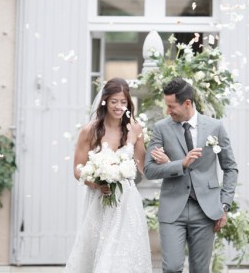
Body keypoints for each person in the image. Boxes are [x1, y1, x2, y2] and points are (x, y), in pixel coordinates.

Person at [144, 78, 238, 273]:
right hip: (172, 209)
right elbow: (149, 169)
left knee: (200, 270)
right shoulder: (162, 128)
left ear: (187, 103)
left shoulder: (215, 127)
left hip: (206, 210)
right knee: (171, 268)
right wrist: (180, 164)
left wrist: (224, 205)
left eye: (171, 106)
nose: (168, 111)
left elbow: (230, 168)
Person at [65, 78, 151, 272]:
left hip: (127, 202)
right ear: (105, 101)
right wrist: (96, 183)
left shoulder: (134, 129)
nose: (119, 106)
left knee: (125, 254)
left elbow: (144, 166)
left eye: (123, 102)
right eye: (114, 101)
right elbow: (77, 169)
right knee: (101, 252)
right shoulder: (90, 131)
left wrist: (164, 161)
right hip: (99, 201)